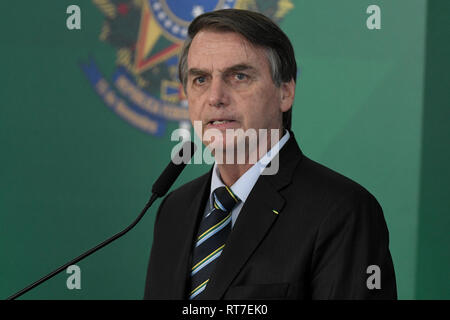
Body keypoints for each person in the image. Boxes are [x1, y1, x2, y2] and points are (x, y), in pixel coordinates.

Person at [144, 9, 397, 300]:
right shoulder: (174, 209)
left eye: (238, 76)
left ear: (285, 92)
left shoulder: (343, 211)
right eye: (200, 79)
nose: (215, 97)